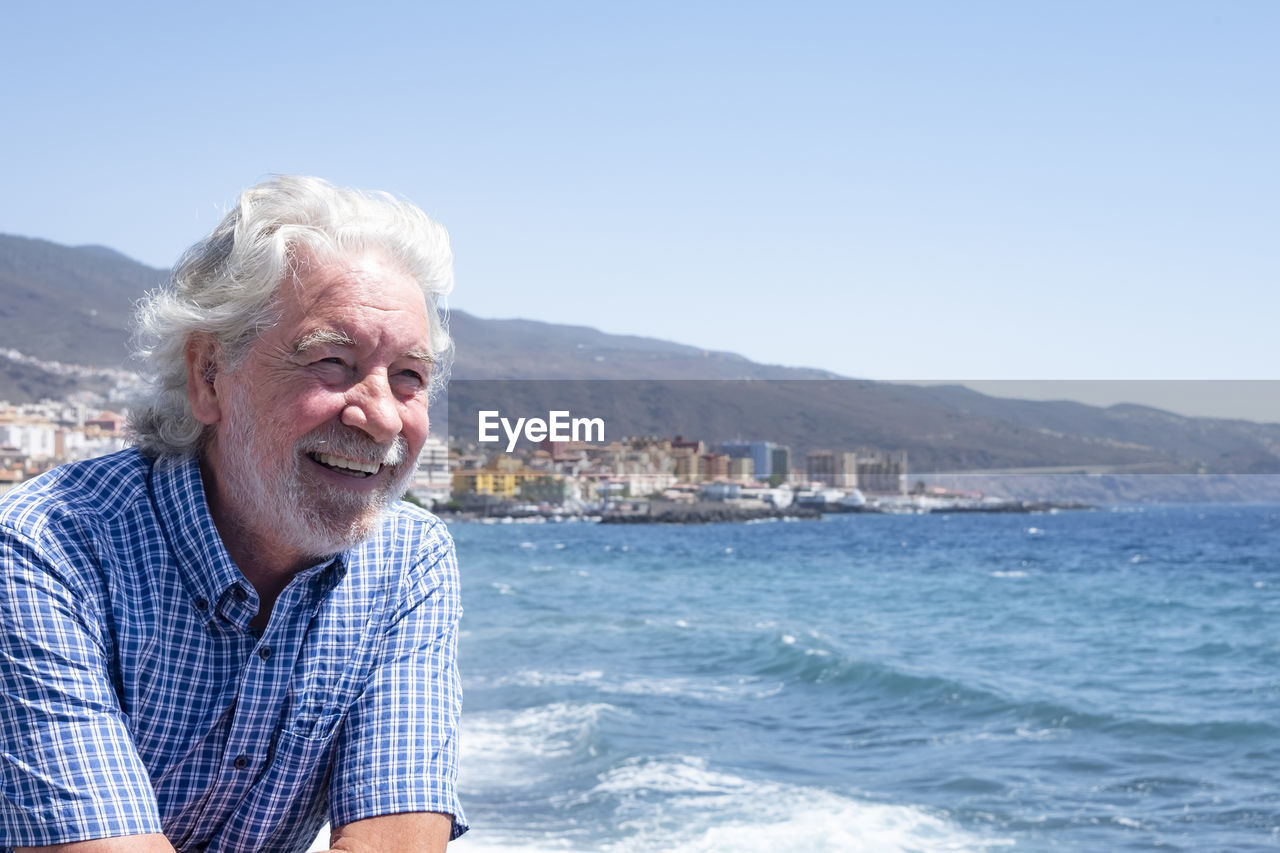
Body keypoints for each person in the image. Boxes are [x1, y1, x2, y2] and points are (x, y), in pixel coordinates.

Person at [0, 176, 466, 852]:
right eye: (332, 362)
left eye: (409, 378)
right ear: (209, 374)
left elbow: (396, 839)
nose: (381, 416)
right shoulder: (43, 548)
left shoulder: (408, 558)